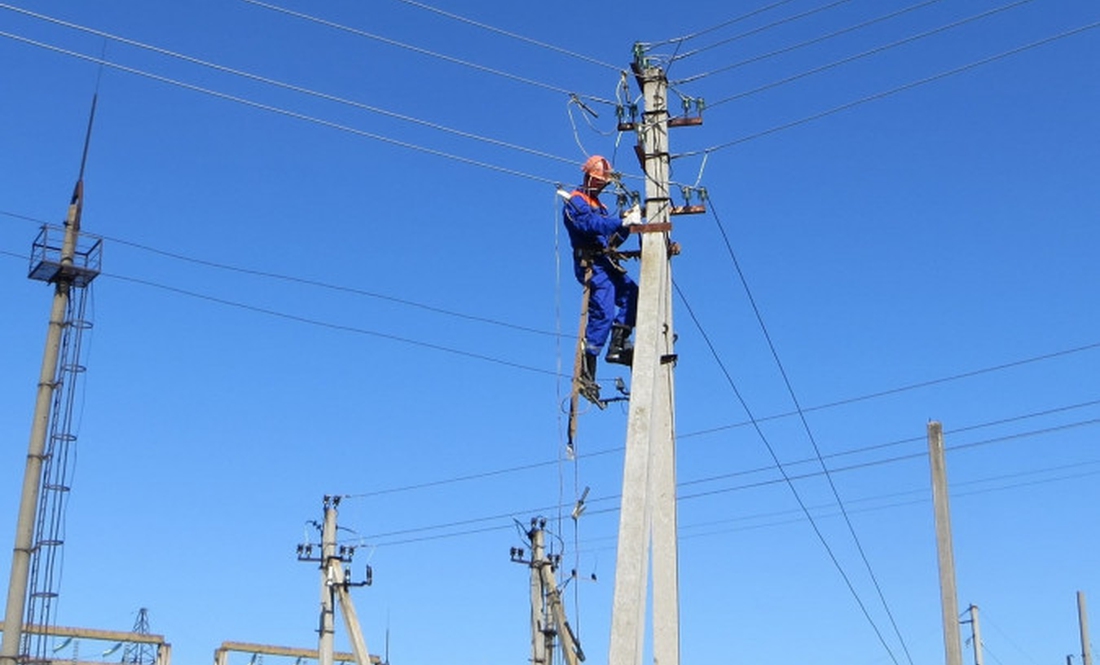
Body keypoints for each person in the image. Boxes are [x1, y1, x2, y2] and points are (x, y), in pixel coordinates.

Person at [561, 154, 642, 401]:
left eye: (603, 183)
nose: (601, 185)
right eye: (598, 181)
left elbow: (610, 238)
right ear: (588, 176)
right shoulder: (576, 202)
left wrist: (626, 225)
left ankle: (618, 345)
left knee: (632, 293)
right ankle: (587, 371)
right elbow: (590, 226)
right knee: (603, 311)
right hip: (591, 264)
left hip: (605, 261)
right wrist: (619, 221)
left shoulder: (601, 206)